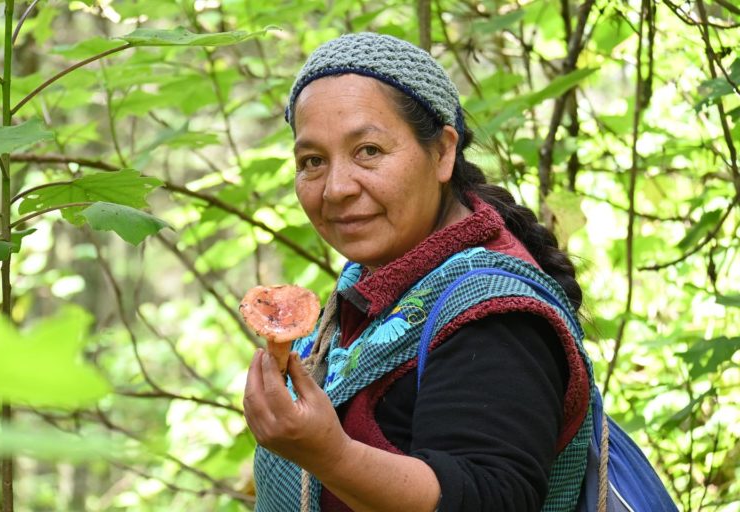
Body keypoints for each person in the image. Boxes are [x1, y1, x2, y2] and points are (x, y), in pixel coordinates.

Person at [243, 32, 593, 512]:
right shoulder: (379, 286)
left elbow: (493, 497)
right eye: (313, 161)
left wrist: (330, 455)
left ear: (444, 152)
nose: (336, 188)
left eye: (368, 150)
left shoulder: (493, 315)